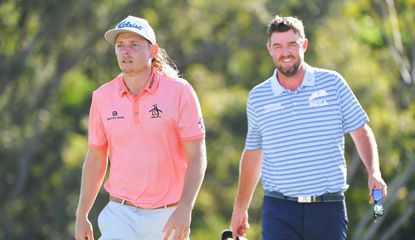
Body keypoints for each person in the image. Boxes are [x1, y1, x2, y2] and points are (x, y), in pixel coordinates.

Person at [230, 15, 387, 240]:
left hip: (327, 209)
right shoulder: (258, 97)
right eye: (278, 46)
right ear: (269, 50)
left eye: (292, 44)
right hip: (279, 210)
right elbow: (254, 155)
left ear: (304, 45)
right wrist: (240, 209)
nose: (285, 52)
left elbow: (361, 132)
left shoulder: (333, 83)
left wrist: (374, 172)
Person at [74, 15, 207, 240]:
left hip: (168, 216)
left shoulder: (179, 91)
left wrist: (185, 208)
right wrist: (82, 213)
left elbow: (197, 155)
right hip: (120, 214)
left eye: (134, 45)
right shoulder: (102, 96)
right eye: (120, 46)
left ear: (153, 50)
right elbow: (96, 158)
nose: (125, 52)